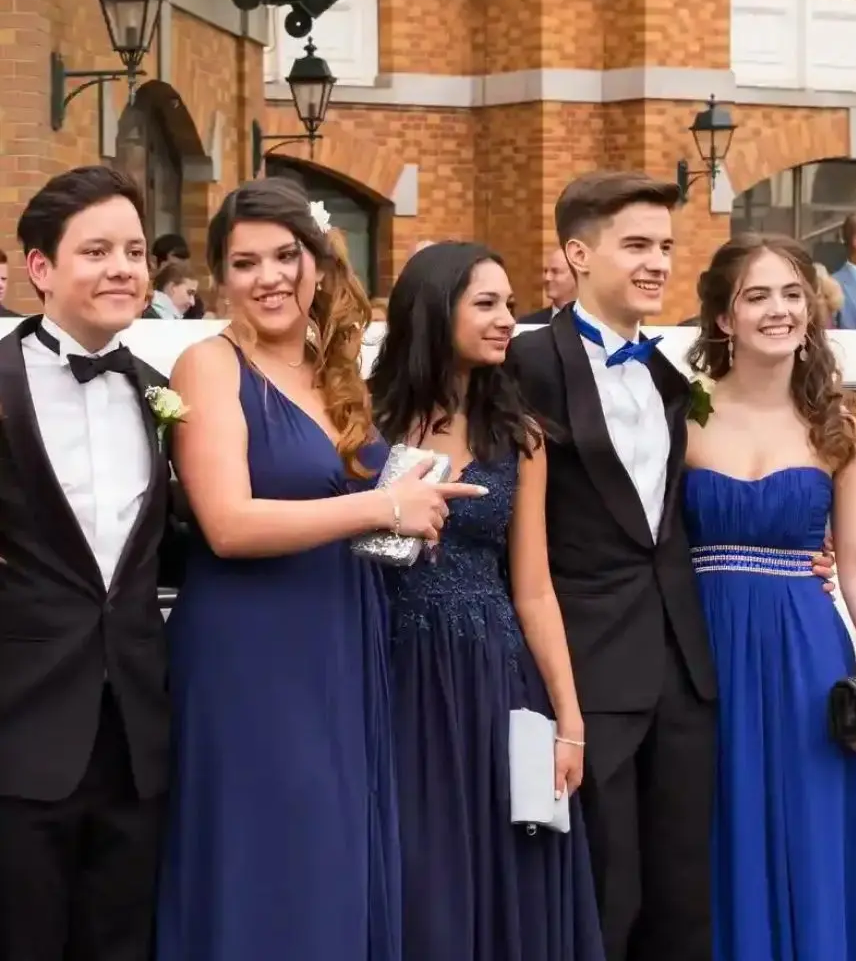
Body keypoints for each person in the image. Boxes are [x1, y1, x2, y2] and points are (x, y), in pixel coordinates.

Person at [154, 178, 485, 961]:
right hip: (251, 649)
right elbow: (228, 524)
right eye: (245, 263)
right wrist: (382, 507)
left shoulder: (333, 371)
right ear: (219, 277)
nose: (268, 277)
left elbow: (358, 503)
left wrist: (411, 514)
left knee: (335, 850)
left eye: (284, 256)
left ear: (316, 262)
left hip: (342, 633)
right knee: (268, 853)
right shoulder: (208, 366)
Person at [508, 171, 834, 961]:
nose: (657, 262)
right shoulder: (523, 363)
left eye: (664, 246)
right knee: (601, 902)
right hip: (584, 674)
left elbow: (688, 515)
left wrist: (797, 552)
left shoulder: (672, 380)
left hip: (688, 674)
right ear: (578, 254)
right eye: (636, 245)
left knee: (685, 905)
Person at [368, 241, 605, 961]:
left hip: (494, 681)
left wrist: (569, 721)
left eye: (510, 304)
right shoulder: (364, 425)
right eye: (487, 304)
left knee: (507, 874)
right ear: (435, 311)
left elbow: (533, 587)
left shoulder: (521, 438)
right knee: (416, 877)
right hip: (390, 677)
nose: (508, 319)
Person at [684, 232, 856, 961]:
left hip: (807, 658)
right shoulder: (683, 413)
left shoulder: (840, 423)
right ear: (724, 318)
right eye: (757, 296)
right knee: (717, 839)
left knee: (811, 843)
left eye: (791, 294)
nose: (778, 310)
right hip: (705, 659)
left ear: (810, 309)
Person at [0, 165, 177, 960]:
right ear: (40, 268)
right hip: (18, 733)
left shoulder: (158, 392)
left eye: (134, 252)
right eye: (97, 251)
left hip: (136, 741)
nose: (123, 270)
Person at [518, 248, 577, 324]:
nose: (547, 278)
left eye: (555, 271)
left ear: (576, 275)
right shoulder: (528, 324)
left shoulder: (591, 321)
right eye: (546, 271)